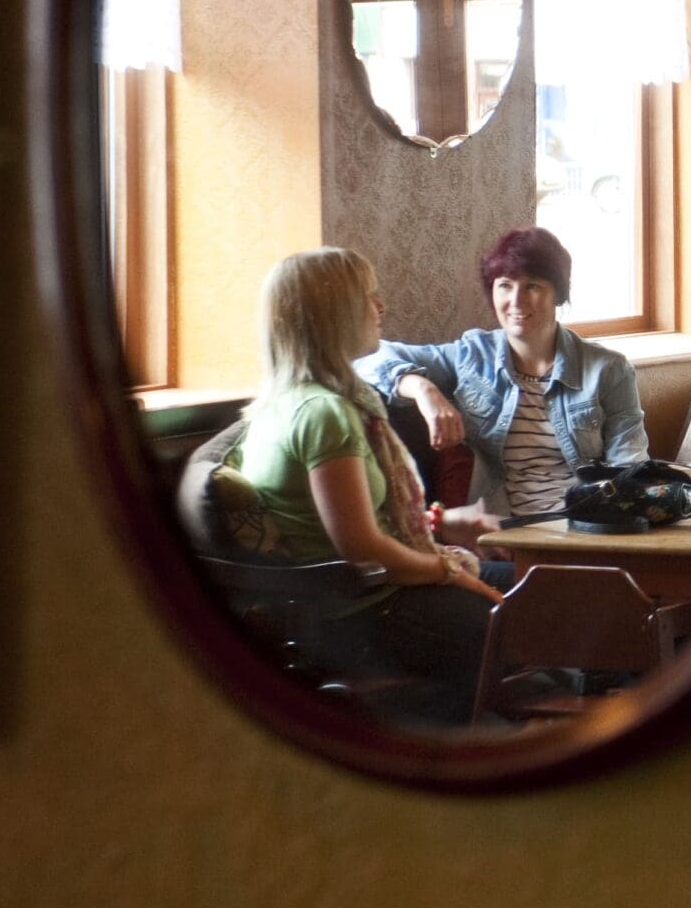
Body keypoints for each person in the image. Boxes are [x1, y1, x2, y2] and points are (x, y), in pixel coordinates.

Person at [227, 247, 505, 723]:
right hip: (364, 616)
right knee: (550, 600)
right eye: (368, 298)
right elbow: (363, 548)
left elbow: (355, 520)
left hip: (354, 604)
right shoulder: (325, 414)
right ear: (332, 316)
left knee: (543, 585)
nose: (381, 307)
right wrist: (448, 573)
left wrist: (441, 521)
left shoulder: (283, 403)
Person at [358, 226, 647, 524]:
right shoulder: (472, 356)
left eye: (533, 286)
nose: (516, 301)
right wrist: (423, 389)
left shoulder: (608, 370)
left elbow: (630, 466)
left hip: (586, 525)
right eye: (505, 285)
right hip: (503, 532)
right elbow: (367, 358)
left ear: (558, 294)